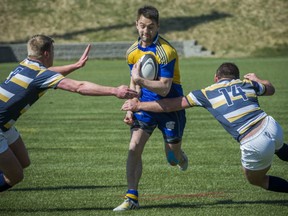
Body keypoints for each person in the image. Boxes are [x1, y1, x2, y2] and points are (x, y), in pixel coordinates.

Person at [122, 62, 288, 194]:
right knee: (279, 148)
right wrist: (257, 79)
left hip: (252, 139)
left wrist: (139, 105)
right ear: (235, 77)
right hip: (270, 125)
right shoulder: (247, 83)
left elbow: (172, 105)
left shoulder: (206, 92)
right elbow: (271, 89)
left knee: (256, 179)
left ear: (216, 78)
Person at [0, 34, 138, 193]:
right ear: (46, 54)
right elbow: (78, 87)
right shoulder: (40, 74)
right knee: (16, 176)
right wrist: (114, 91)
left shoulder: (26, 64)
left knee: (23, 161)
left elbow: (49, 71)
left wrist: (76, 65)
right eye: (53, 51)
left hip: (6, 125)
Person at [113, 5, 187, 211]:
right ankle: (131, 198)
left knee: (173, 158)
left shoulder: (166, 52)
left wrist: (138, 80)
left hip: (168, 106)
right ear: (136, 24)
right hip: (143, 105)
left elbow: (164, 88)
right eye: (142, 26)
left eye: (151, 27)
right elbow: (133, 80)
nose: (146, 31)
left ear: (158, 27)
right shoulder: (132, 52)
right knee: (134, 147)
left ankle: (180, 156)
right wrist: (130, 107)